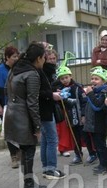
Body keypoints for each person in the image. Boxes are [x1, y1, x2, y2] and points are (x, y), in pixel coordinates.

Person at [4, 42, 47, 188]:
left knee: (24, 150)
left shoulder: (15, 68)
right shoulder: (32, 74)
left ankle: (28, 183)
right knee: (28, 151)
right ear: (39, 58)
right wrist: (37, 126)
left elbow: (6, 90)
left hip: (11, 112)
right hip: (23, 116)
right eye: (44, 57)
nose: (45, 61)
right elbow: (32, 103)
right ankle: (28, 185)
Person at [52, 64, 97, 165]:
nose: (65, 80)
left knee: (85, 136)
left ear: (70, 76)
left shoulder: (77, 87)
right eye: (62, 78)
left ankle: (92, 153)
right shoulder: (61, 90)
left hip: (80, 117)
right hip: (70, 118)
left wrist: (84, 115)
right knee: (75, 137)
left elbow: (84, 101)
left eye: (66, 77)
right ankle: (78, 155)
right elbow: (60, 103)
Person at [0, 45, 20, 168]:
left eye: (17, 56)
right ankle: (14, 156)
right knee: (9, 131)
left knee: (20, 130)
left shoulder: (19, 69)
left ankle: (19, 151)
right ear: (7, 57)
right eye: (14, 57)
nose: (16, 59)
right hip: (6, 106)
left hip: (19, 105)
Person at [38, 44, 66, 180]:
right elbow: (41, 92)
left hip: (45, 108)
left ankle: (46, 167)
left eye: (54, 58)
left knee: (45, 139)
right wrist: (52, 94)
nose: (52, 61)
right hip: (45, 109)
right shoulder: (43, 72)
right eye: (48, 58)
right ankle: (50, 169)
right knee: (51, 139)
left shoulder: (47, 71)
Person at [84, 66, 107, 175]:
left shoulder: (104, 92)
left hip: (100, 124)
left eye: (96, 79)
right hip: (93, 124)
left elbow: (97, 106)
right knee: (97, 145)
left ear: (103, 81)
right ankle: (101, 164)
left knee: (101, 146)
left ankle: (106, 165)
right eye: (92, 78)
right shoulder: (95, 91)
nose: (93, 81)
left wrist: (90, 94)